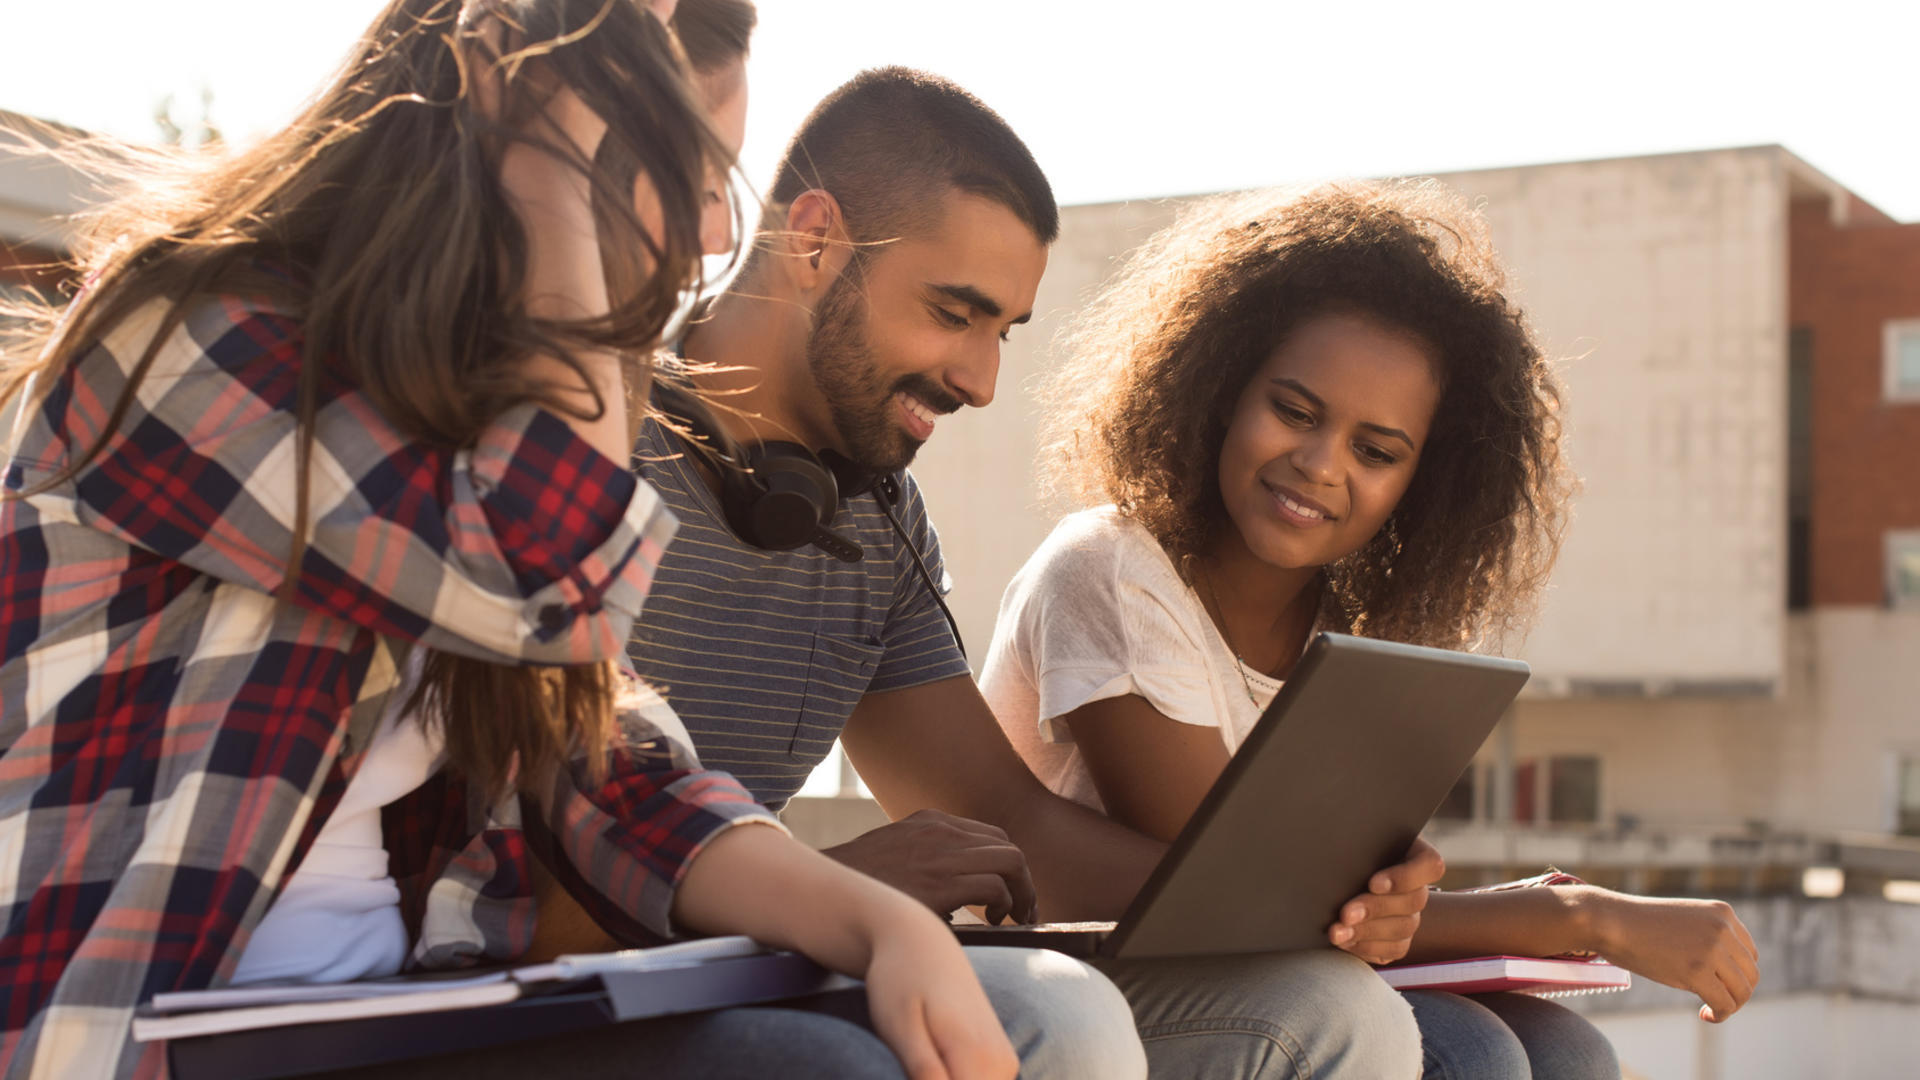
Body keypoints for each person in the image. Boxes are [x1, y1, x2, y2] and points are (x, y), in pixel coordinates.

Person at [0, 3, 1021, 1078]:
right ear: (535, 148)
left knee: (1037, 1010)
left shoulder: (485, 418)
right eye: (695, 169)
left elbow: (606, 763)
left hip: (400, 1015)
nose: (719, 231)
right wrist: (554, 203)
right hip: (143, 1039)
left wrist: (877, 923)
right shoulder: (185, 336)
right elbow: (545, 580)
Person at [623, 67, 1425, 1078]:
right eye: (954, 311)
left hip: (772, 956)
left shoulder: (876, 513)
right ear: (816, 240)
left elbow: (1008, 819)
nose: (981, 380)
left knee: (1330, 1016)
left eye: (1001, 332)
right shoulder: (588, 448)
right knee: (1054, 1027)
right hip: (599, 978)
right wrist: (832, 886)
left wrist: (1332, 902)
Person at [980, 181, 1765, 1079]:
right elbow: (1245, 898)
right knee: (1458, 1048)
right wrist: (1577, 915)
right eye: (1295, 411)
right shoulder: (1111, 567)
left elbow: (1333, 913)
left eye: (1377, 451)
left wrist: (1403, 902)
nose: (1319, 466)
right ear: (1221, 388)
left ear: (1422, 483)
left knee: (1563, 1050)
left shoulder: (1349, 643)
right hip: (1069, 994)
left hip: (1256, 981)